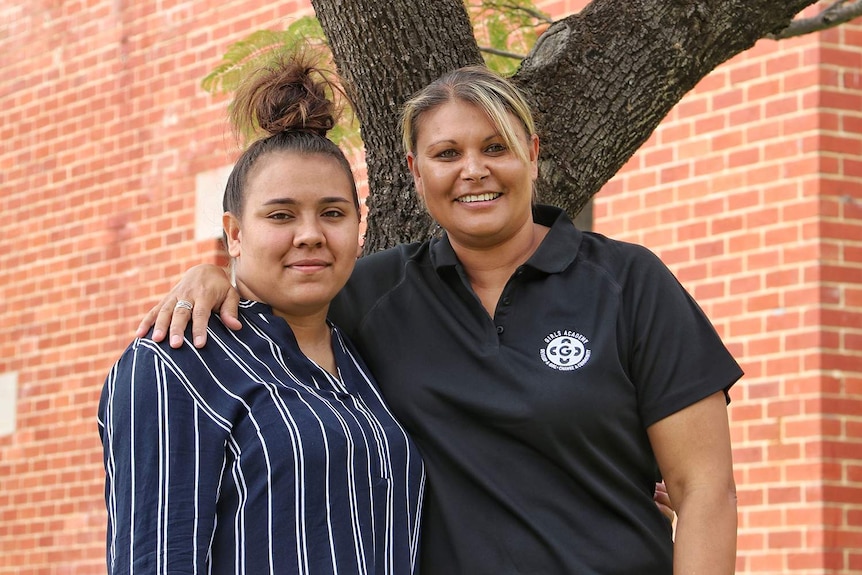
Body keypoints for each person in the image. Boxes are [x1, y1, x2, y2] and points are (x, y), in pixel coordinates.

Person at [138, 65, 741, 573]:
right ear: (415, 171)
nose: (472, 170)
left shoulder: (629, 282)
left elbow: (704, 489)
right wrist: (215, 275)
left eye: (495, 147)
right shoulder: (369, 292)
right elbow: (283, 290)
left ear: (531, 154)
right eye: (447, 153)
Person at [98, 54, 425, 574]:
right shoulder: (177, 363)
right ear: (233, 233)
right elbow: (156, 559)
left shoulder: (367, 359)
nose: (311, 233)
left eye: (333, 213)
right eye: (280, 214)